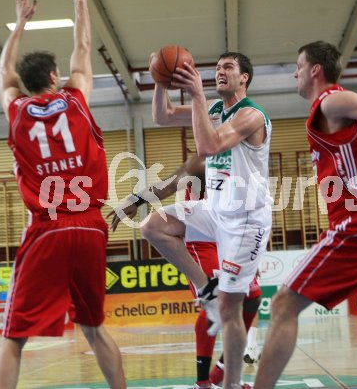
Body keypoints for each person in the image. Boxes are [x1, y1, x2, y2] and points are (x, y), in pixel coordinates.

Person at [254, 40, 357, 389]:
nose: (295, 73)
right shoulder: (341, 110)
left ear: (315, 70)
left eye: (298, 66)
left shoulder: (330, 101)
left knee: (284, 303)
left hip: (356, 228)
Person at [0, 0, 126, 388]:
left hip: (48, 227)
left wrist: (20, 22)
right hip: (89, 226)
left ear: (25, 83)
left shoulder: (15, 111)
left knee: (14, 338)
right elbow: (83, 47)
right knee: (95, 326)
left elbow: (3, 73)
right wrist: (80, 2)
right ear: (55, 77)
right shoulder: (77, 100)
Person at [139, 51, 272, 389]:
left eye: (228, 67)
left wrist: (197, 93)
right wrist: (160, 81)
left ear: (245, 78)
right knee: (152, 225)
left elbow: (208, 147)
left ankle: (228, 383)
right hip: (214, 209)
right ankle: (204, 289)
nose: (220, 71)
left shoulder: (251, 115)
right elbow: (162, 116)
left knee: (233, 308)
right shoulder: (214, 109)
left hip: (245, 220)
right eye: (216, 67)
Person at [109, 154, 262, 388]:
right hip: (202, 238)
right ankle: (204, 382)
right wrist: (135, 200)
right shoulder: (206, 160)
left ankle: (223, 372)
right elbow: (170, 184)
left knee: (252, 299)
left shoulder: (247, 158)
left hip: (235, 235)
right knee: (219, 304)